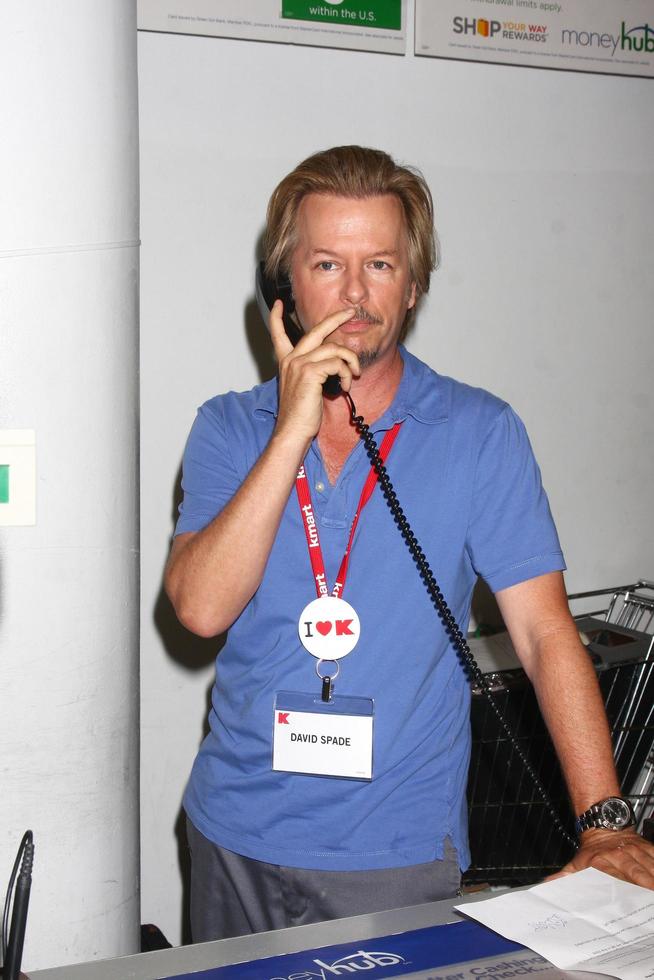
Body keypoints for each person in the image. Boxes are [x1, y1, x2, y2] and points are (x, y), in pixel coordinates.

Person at [165, 146, 654, 942]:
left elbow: (544, 632)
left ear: (415, 284)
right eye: (327, 263)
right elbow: (199, 607)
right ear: (284, 285)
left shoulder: (480, 433)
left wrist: (603, 818)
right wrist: (290, 426)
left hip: (394, 851)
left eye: (381, 265)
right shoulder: (229, 427)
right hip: (235, 836)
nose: (354, 293)